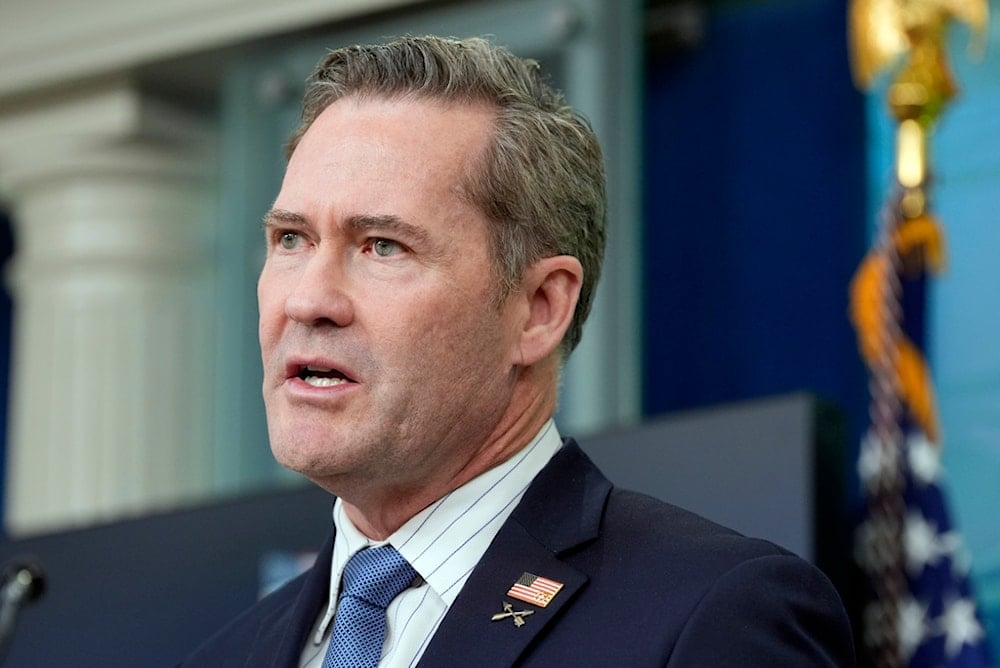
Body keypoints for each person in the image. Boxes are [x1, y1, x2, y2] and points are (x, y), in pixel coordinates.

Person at [182, 35, 855, 667]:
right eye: (291, 240)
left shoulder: (713, 617)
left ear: (539, 310)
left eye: (382, 246)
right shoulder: (223, 656)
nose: (307, 301)